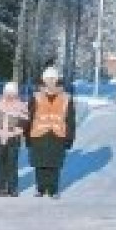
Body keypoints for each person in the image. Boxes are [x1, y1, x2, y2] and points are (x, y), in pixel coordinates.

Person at [26, 66, 76, 198]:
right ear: (43, 80)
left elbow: (70, 120)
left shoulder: (66, 98)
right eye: (48, 78)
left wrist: (70, 137)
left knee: (55, 164)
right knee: (39, 163)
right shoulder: (35, 96)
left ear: (57, 80)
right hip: (38, 134)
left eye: (53, 78)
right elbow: (29, 117)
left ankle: (53, 189)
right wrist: (27, 136)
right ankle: (40, 188)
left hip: (57, 134)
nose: (50, 81)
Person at [0, 81, 28, 196]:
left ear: (16, 93)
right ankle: (0, 187)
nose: (10, 95)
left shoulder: (21, 106)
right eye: (8, 92)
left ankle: (12, 187)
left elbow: (24, 122)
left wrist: (13, 133)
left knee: (12, 164)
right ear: (4, 92)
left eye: (13, 92)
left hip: (13, 140)